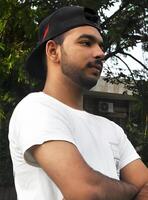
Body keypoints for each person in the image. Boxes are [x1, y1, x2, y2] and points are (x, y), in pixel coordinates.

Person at [9, 6, 148, 200]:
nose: (100, 53)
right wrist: (131, 190)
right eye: (86, 43)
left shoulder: (112, 129)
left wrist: (114, 191)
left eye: (101, 46)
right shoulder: (34, 108)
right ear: (52, 51)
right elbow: (86, 192)